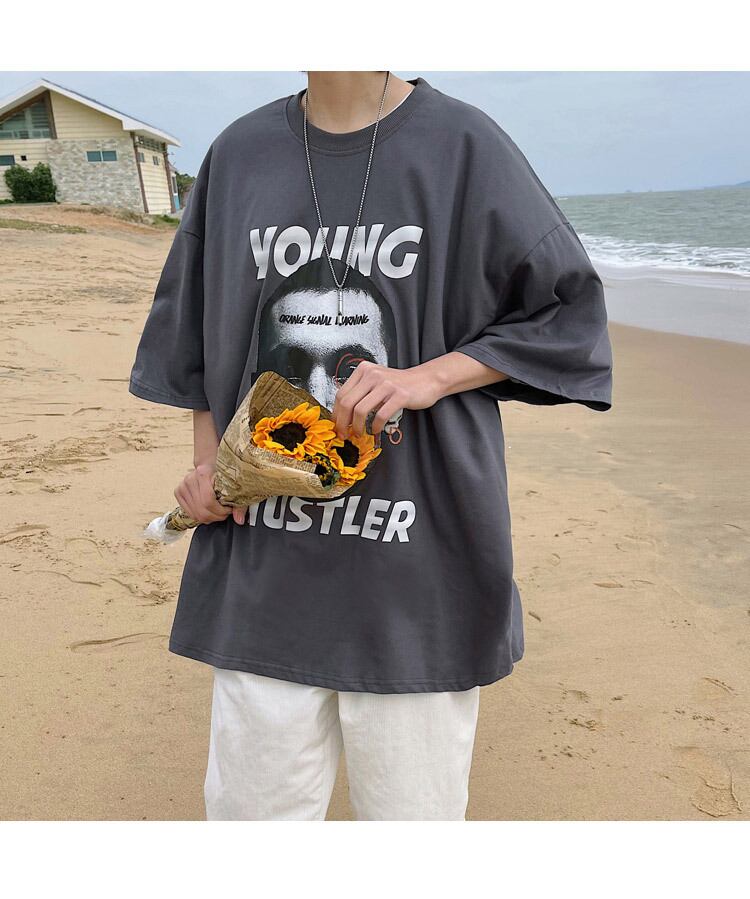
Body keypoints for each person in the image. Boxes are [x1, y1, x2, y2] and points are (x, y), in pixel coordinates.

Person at [129, 71, 613, 821]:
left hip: (418, 573)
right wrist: (209, 469)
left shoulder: (463, 146)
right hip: (266, 568)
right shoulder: (241, 154)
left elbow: (563, 309)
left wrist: (428, 377)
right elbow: (197, 330)